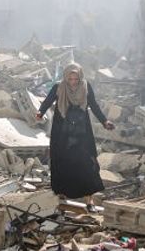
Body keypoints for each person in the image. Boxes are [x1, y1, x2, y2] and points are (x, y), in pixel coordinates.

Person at [35, 63, 115, 206]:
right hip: (62, 131)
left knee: (85, 162)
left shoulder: (86, 87)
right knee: (61, 161)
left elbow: (94, 105)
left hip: (81, 131)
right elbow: (48, 101)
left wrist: (104, 121)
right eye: (70, 79)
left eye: (76, 79)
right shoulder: (58, 87)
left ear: (80, 77)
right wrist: (40, 112)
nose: (73, 82)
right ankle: (61, 195)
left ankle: (88, 198)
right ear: (66, 78)